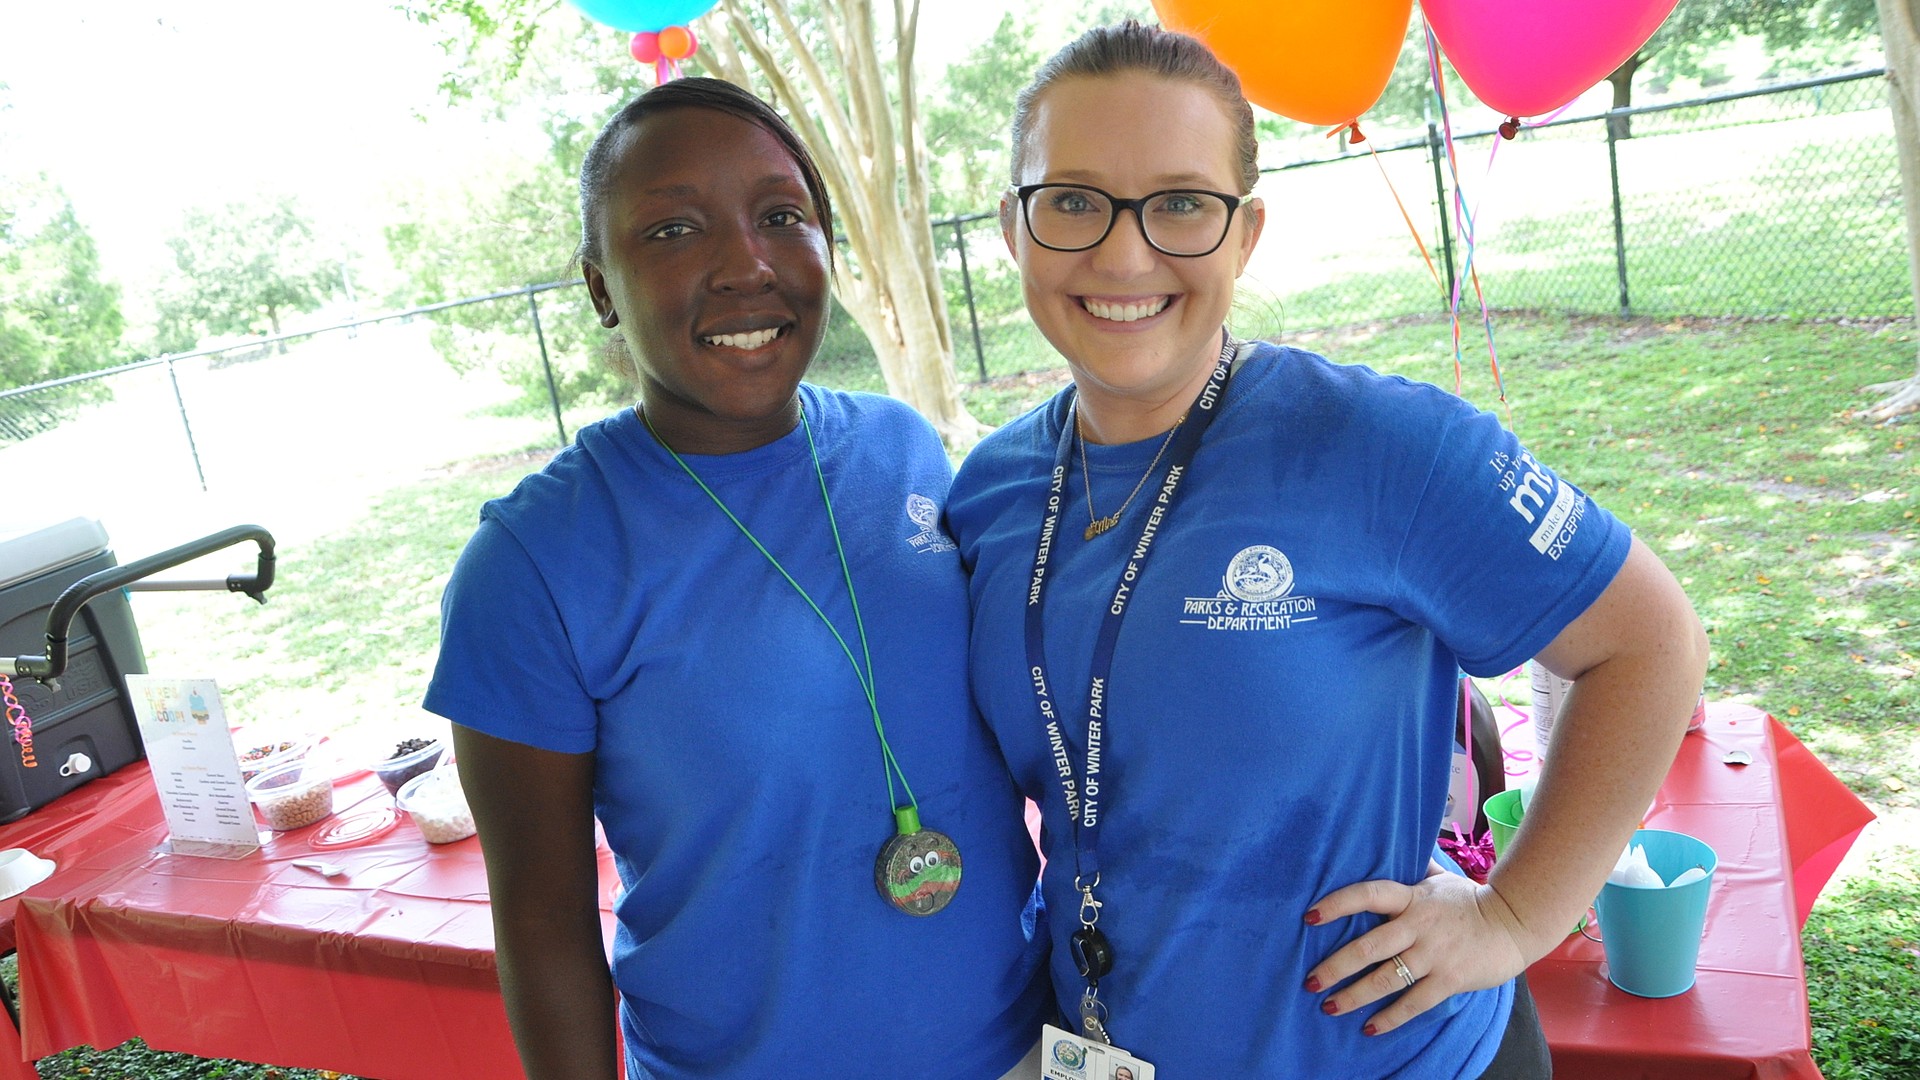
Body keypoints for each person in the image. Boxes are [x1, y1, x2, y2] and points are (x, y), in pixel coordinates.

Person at [945, 22, 1709, 1078]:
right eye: (1073, 200)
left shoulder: (1375, 445)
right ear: (1012, 226)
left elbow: (1651, 644)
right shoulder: (989, 493)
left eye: (1181, 203)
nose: (1124, 254)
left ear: (1245, 232)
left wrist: (1514, 917)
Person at [426, 78, 1049, 1080]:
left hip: (1021, 1048)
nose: (745, 264)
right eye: (673, 230)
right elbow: (540, 922)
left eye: (781, 216)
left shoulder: (903, 450)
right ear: (600, 286)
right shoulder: (535, 562)